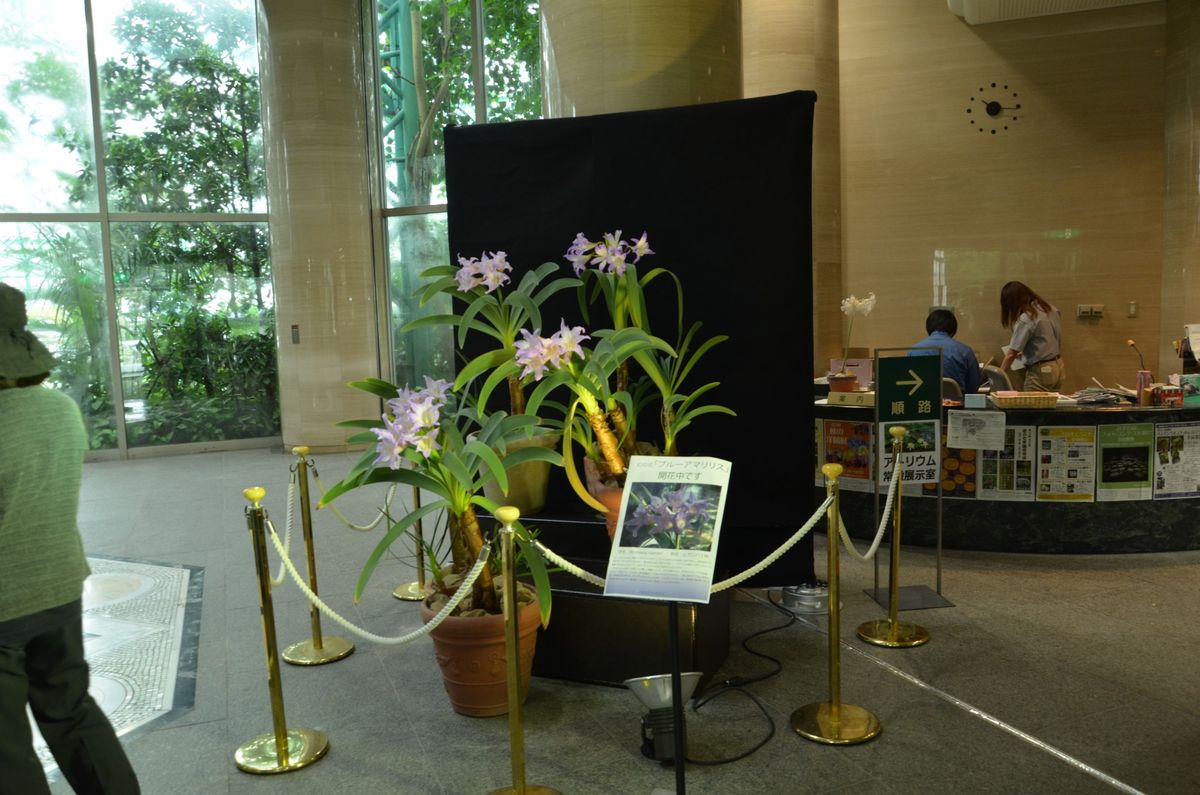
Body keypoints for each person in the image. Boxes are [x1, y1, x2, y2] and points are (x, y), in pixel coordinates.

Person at [0, 284, 140, 794]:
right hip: (58, 585)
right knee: (73, 714)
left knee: (6, 750)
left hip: (4, 604)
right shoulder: (59, 409)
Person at [999, 281, 1064, 392]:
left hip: (1041, 371)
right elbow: (1045, 339)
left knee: (1032, 408)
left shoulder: (1027, 318)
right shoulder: (1050, 308)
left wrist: (1000, 375)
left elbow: (1011, 354)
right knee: (1051, 407)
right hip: (1058, 367)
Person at [910, 308, 981, 394]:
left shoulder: (914, 351)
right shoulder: (965, 351)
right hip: (958, 404)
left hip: (924, 404)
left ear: (928, 327)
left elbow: (909, 383)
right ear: (953, 329)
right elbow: (973, 387)